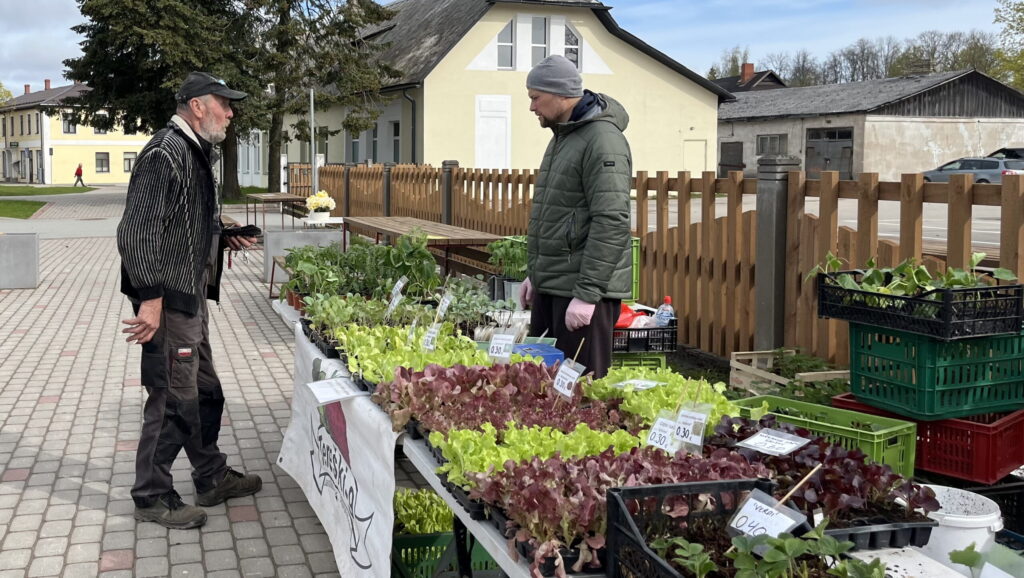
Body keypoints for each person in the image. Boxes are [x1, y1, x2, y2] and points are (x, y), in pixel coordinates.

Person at [117, 71, 261, 529]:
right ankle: (151, 495)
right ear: (198, 106)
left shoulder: (194, 150)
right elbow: (137, 232)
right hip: (170, 302)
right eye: (224, 103)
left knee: (203, 393)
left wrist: (224, 236)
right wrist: (151, 300)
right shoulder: (165, 152)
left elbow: (188, 222)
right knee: (173, 400)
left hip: (189, 301)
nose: (231, 112)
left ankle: (211, 475)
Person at [519, 55, 633, 379]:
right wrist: (537, 276)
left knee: (579, 391)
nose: (532, 107)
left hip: (582, 294)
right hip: (556, 288)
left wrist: (586, 294)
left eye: (535, 98)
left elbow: (611, 221)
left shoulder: (602, 140)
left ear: (561, 95)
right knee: (542, 387)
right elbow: (559, 215)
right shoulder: (564, 137)